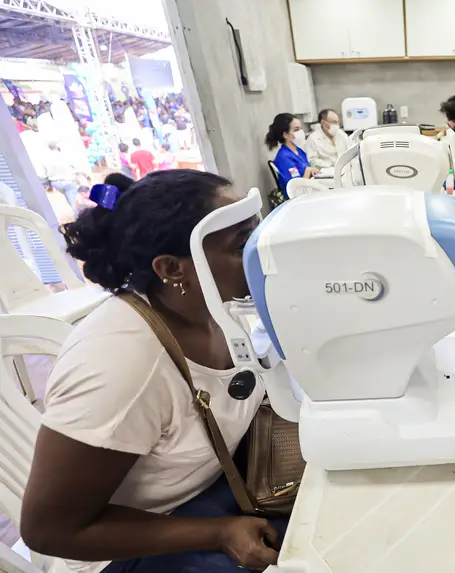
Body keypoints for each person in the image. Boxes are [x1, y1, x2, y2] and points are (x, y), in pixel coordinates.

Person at [20, 170, 286, 573]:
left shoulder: (211, 308)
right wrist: (218, 533)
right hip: (127, 550)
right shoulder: (121, 364)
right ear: (173, 268)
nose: (260, 253)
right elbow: (49, 530)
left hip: (207, 492)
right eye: (241, 245)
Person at [266, 112, 317, 191]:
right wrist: (308, 170)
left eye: (300, 129)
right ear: (285, 135)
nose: (301, 132)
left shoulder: (299, 151)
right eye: (296, 129)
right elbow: (296, 188)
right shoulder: (284, 158)